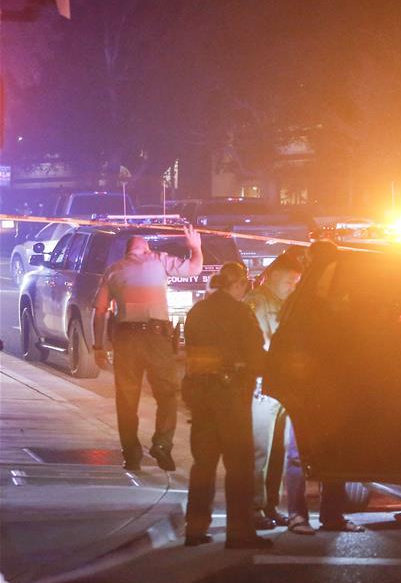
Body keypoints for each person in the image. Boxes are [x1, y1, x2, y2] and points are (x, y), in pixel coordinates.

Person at [268, 240, 364, 534]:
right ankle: (302, 514)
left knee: (326, 451)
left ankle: (324, 515)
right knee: (300, 451)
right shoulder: (305, 299)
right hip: (311, 387)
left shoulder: (334, 298)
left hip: (328, 386)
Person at [92, 225, 203, 472]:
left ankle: (131, 455)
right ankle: (162, 445)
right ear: (147, 248)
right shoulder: (159, 260)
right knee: (167, 394)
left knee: (127, 399)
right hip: (156, 337)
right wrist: (195, 247)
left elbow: (99, 313)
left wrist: (98, 346)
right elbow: (195, 268)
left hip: (126, 340)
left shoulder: (113, 271)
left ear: (127, 251)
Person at [182, 262, 271, 549]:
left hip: (201, 393)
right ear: (239, 284)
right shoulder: (240, 312)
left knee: (203, 464)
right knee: (239, 466)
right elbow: (256, 354)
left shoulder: (198, 311)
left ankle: (195, 528)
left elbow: (189, 347)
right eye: (245, 285)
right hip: (231, 394)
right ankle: (239, 531)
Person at [244, 255, 303, 530]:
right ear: (275, 276)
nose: (293, 285)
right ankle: (253, 507)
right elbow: (258, 342)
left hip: (282, 385)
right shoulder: (256, 302)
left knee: (278, 451)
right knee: (259, 450)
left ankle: (270, 504)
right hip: (262, 386)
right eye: (290, 280)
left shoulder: (287, 305)